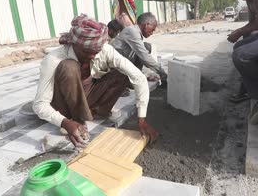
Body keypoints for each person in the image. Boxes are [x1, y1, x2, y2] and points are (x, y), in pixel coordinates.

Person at [33, 14, 158, 147]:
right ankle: (76, 118)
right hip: (63, 104)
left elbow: (138, 77)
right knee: (68, 67)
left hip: (87, 95)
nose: (93, 55)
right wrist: (64, 122)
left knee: (123, 73)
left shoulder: (103, 49)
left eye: (96, 51)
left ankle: (95, 111)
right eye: (87, 52)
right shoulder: (53, 59)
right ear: (75, 45)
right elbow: (39, 105)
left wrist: (142, 119)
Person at [113, 12, 167, 82]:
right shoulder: (133, 31)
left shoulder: (135, 32)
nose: (152, 33)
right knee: (144, 49)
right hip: (115, 67)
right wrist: (161, 71)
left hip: (123, 61)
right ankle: (129, 79)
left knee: (146, 47)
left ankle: (135, 76)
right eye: (152, 29)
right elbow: (144, 56)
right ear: (146, 25)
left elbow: (143, 56)